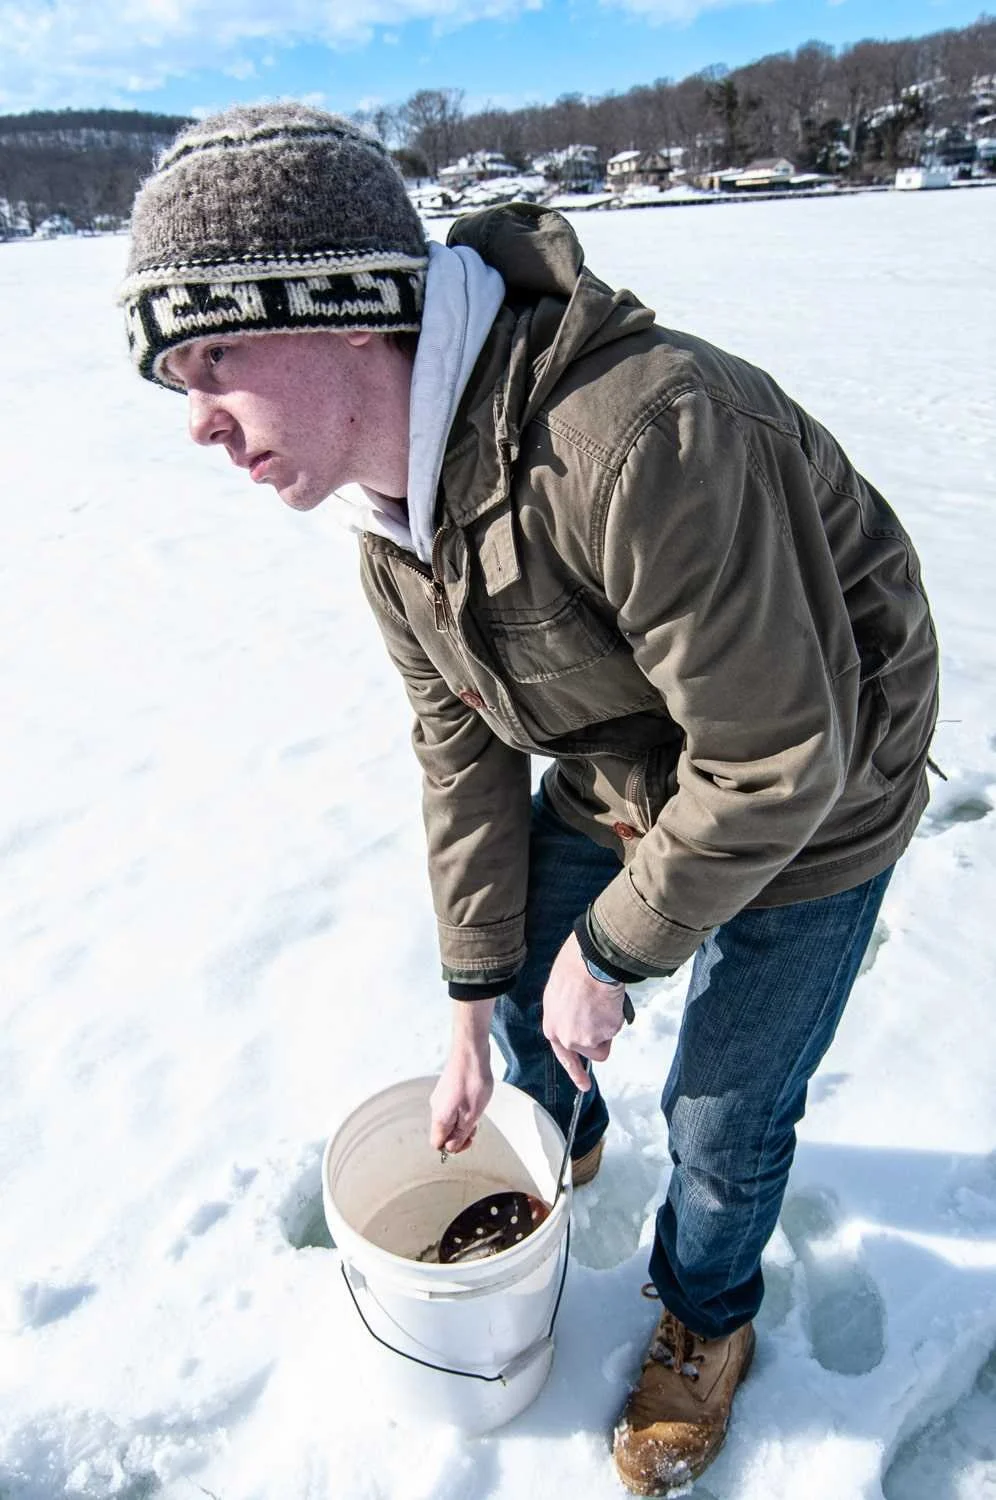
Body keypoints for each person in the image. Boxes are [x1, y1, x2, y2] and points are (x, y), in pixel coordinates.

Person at [120, 103, 940, 1494]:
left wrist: (615, 953)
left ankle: (707, 1314)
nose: (197, 421)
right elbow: (466, 764)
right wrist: (465, 1017)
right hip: (636, 765)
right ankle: (561, 1133)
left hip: (818, 783)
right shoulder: (390, 529)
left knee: (727, 1113)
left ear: (345, 313)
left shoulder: (640, 434)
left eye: (214, 359)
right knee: (512, 988)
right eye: (171, 381)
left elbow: (778, 755)